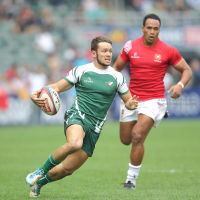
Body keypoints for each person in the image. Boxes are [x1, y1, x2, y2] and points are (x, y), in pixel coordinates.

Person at [26, 36, 139, 197]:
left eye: (110, 51)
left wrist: (131, 104)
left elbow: (128, 101)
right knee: (74, 143)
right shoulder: (81, 70)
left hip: (95, 127)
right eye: (104, 51)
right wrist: (36, 93)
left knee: (68, 169)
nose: (108, 54)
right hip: (77, 116)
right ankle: (39, 170)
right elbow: (57, 87)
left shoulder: (117, 76)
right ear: (93, 53)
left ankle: (39, 183)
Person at [113, 13, 192, 190]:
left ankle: (130, 181)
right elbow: (116, 69)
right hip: (131, 99)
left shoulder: (168, 50)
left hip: (154, 100)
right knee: (126, 139)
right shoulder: (130, 46)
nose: (152, 31)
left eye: (155, 29)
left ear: (159, 30)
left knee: (137, 136)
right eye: (148, 28)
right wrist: (115, 89)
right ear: (143, 28)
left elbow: (187, 70)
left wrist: (180, 84)